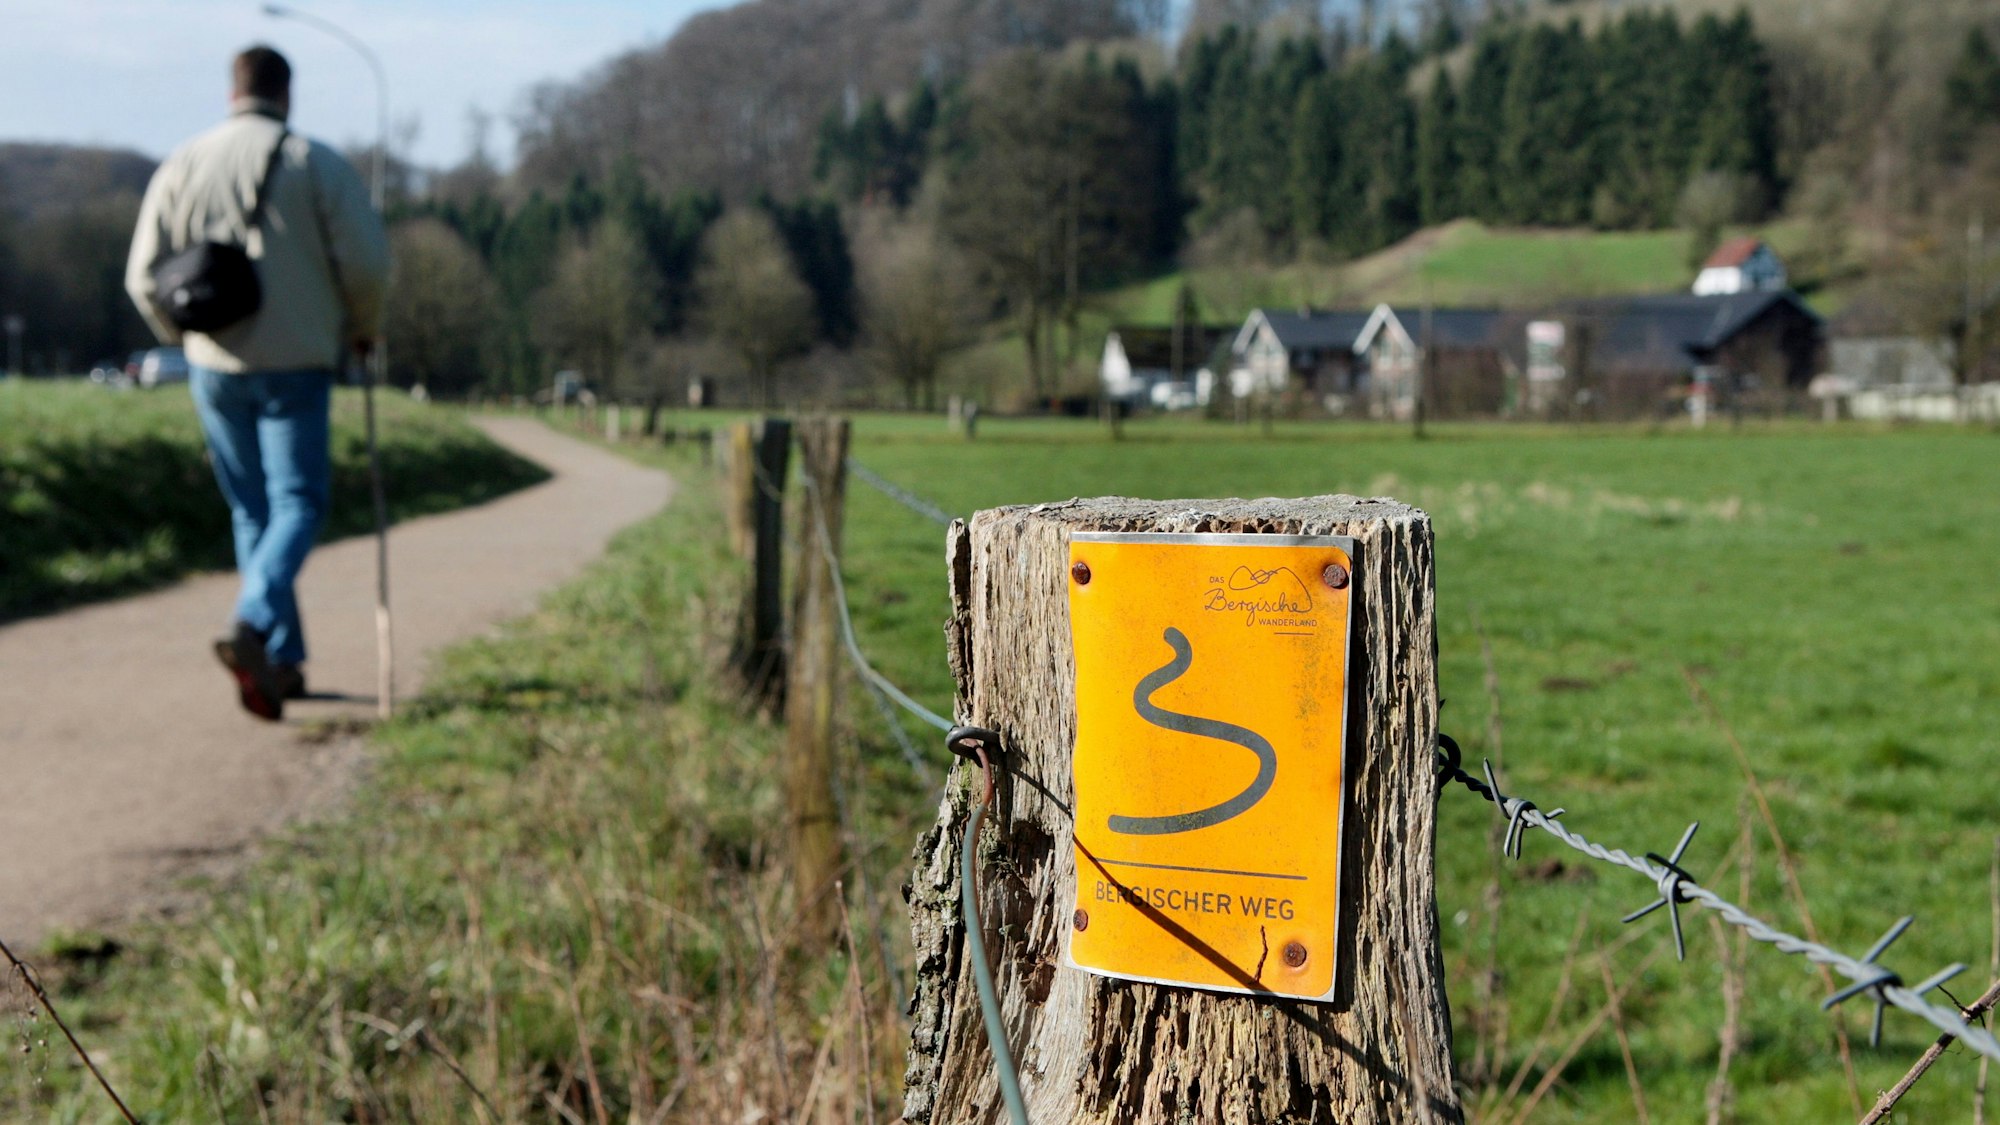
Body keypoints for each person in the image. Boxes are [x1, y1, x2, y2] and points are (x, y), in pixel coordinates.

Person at [125, 45, 390, 721]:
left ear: (231, 90)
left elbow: (142, 274)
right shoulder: (314, 163)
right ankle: (251, 621)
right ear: (287, 93)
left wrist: (178, 332)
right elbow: (365, 263)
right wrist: (364, 327)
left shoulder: (184, 161)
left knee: (253, 513)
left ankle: (281, 661)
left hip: (213, 364)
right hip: (297, 358)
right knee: (298, 503)